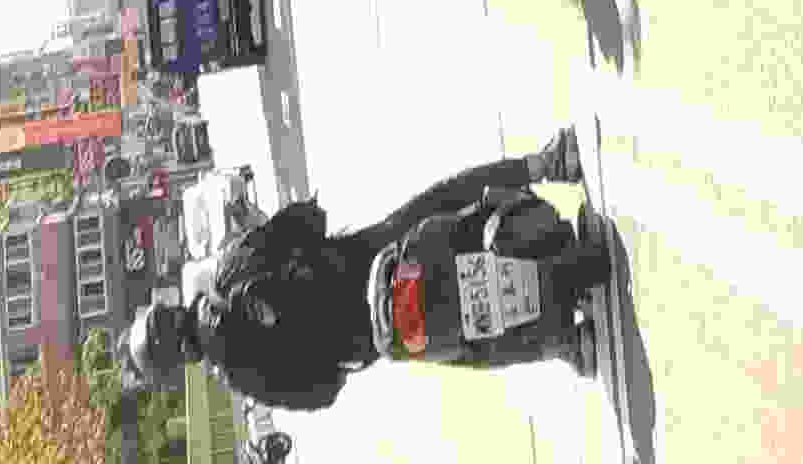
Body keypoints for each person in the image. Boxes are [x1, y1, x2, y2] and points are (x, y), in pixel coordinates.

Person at [128, 134, 591, 410]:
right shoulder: (230, 269)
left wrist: (338, 350)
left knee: (467, 350)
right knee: (448, 198)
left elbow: (321, 395)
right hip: (370, 258)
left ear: (181, 360)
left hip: (375, 335)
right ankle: (549, 163)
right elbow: (308, 220)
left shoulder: (241, 379)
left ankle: (563, 344)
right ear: (171, 311)